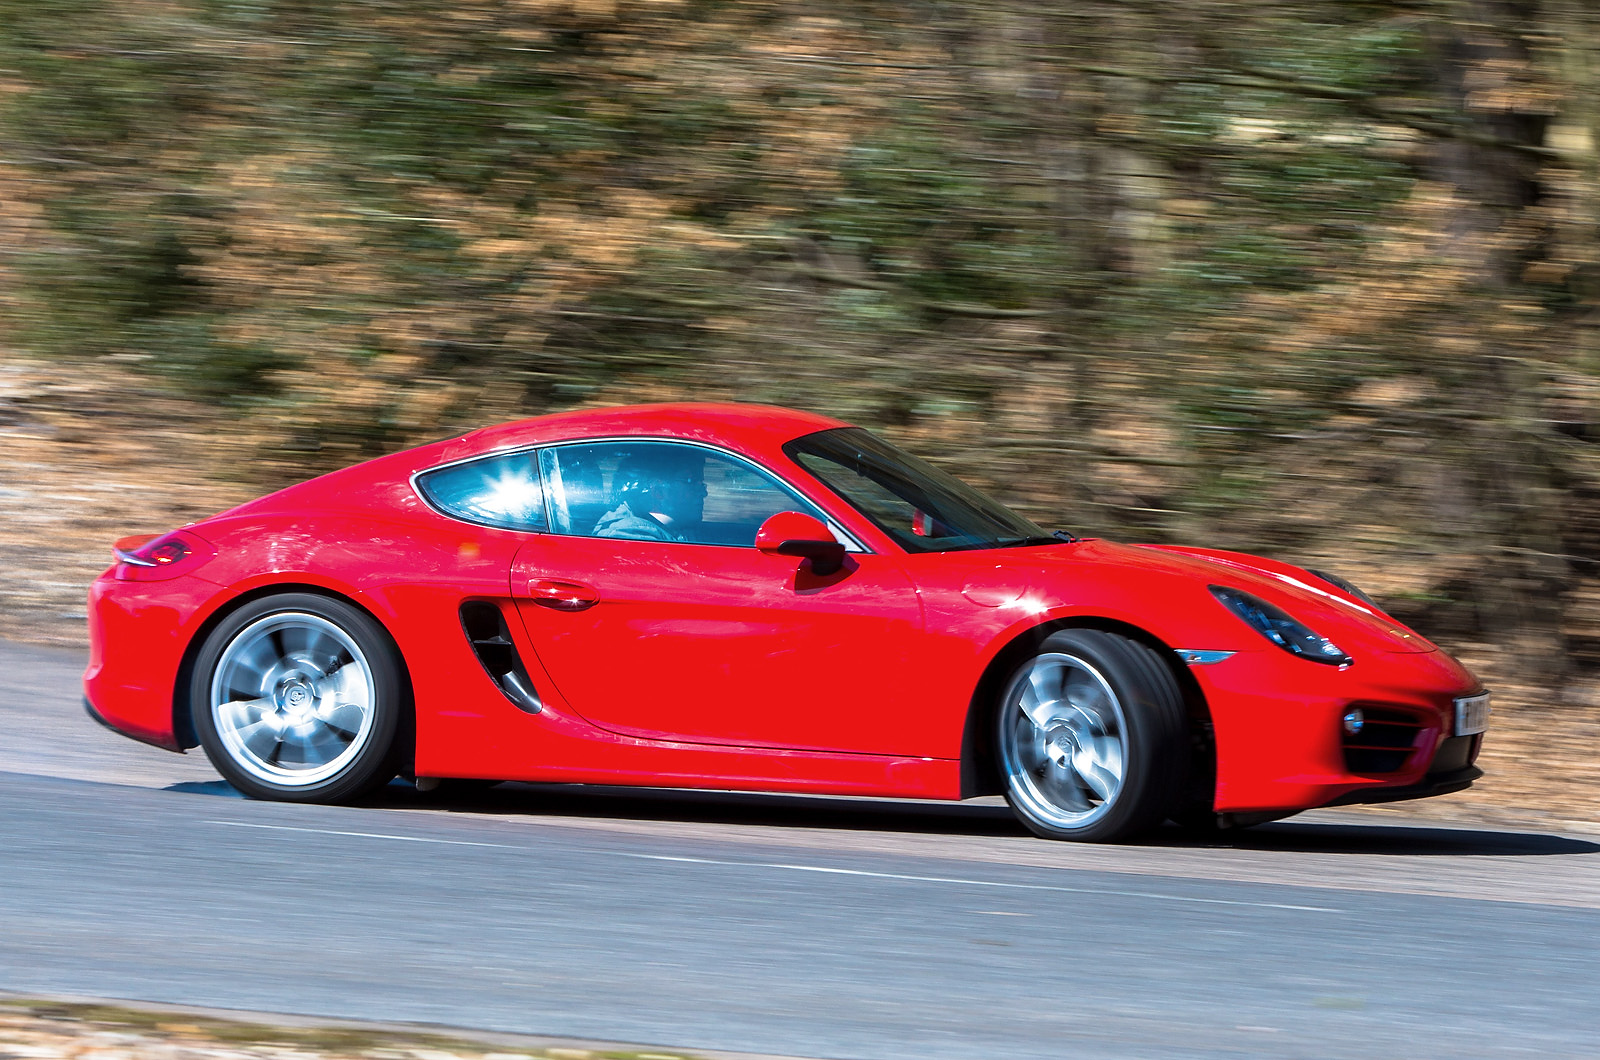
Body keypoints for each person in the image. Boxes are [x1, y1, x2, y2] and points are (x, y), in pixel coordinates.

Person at [593, 448, 707, 541]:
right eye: (690, 481)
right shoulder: (628, 536)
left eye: (702, 484)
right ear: (658, 490)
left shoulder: (677, 528)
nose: (704, 492)